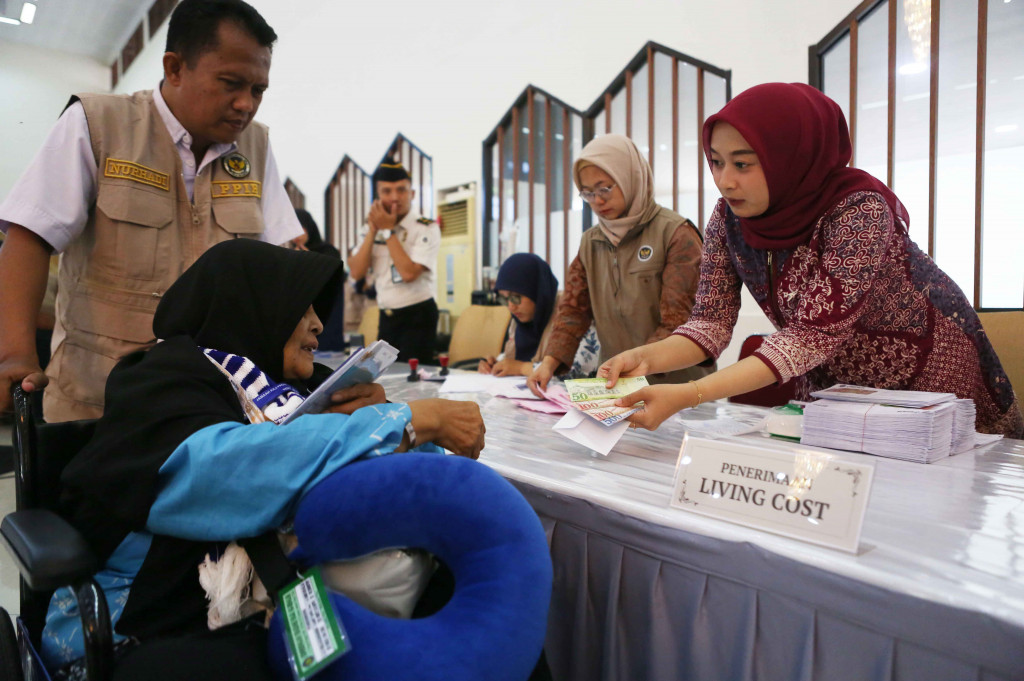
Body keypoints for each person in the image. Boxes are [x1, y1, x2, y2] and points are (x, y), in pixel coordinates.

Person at [44, 239, 485, 680]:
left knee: (458, 597)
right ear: (250, 305)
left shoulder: (297, 389)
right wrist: (401, 423)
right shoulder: (161, 381)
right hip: (152, 622)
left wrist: (389, 419)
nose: (317, 325)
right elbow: (227, 474)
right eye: (302, 307)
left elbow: (387, 470)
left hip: (281, 593)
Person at [601, 83, 1023, 438]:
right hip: (834, 382)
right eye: (716, 162)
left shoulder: (858, 210)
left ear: (789, 157)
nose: (725, 180)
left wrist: (689, 394)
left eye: (743, 164)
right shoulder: (728, 217)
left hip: (926, 374)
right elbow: (710, 323)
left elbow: (810, 336)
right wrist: (646, 359)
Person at [0, 0, 303, 421]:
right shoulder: (98, 125)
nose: (245, 105)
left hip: (211, 409)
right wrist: (14, 355)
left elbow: (277, 265)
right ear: (175, 68)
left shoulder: (255, 147)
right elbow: (29, 237)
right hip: (98, 406)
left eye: (258, 90)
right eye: (231, 83)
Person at [527, 134, 711, 397]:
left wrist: (634, 366)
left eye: (605, 188)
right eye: (588, 193)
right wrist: (548, 362)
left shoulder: (675, 234)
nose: (597, 201)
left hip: (678, 389)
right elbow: (573, 311)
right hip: (619, 388)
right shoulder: (591, 243)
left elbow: (679, 322)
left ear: (629, 177)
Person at [347, 158, 441, 364]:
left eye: (401, 190)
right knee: (386, 378)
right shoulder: (372, 226)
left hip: (418, 315)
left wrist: (388, 231)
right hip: (387, 315)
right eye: (386, 191)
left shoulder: (426, 227)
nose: (394, 197)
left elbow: (408, 273)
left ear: (412, 193)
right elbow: (356, 272)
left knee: (413, 381)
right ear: (378, 196)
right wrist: (373, 230)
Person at [478, 253, 559, 377]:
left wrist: (521, 368)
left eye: (516, 297)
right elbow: (512, 361)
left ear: (536, 291)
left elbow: (585, 382)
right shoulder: (519, 321)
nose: (511, 307)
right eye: (504, 299)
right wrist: (495, 365)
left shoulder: (569, 314)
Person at [293, 208, 347, 351]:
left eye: (300, 228)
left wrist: (309, 260)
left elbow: (332, 280)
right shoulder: (290, 254)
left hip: (327, 315)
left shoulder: (328, 251)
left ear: (309, 227)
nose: (296, 234)